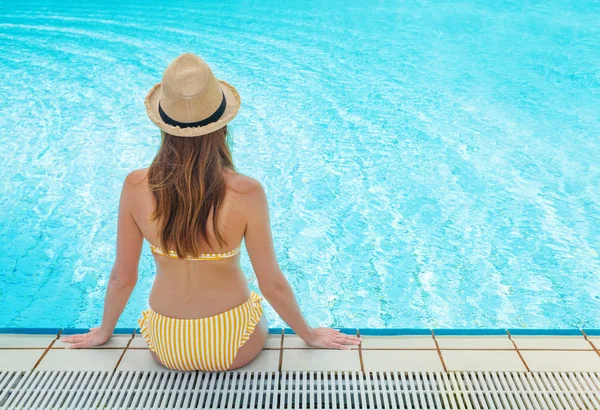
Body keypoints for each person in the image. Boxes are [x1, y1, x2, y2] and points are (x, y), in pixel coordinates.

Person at [62, 53, 361, 371]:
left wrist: (104, 331)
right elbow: (270, 282)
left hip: (167, 343)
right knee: (256, 309)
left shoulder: (135, 186)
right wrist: (309, 334)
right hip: (233, 342)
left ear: (164, 124)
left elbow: (123, 277)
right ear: (222, 124)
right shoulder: (246, 192)